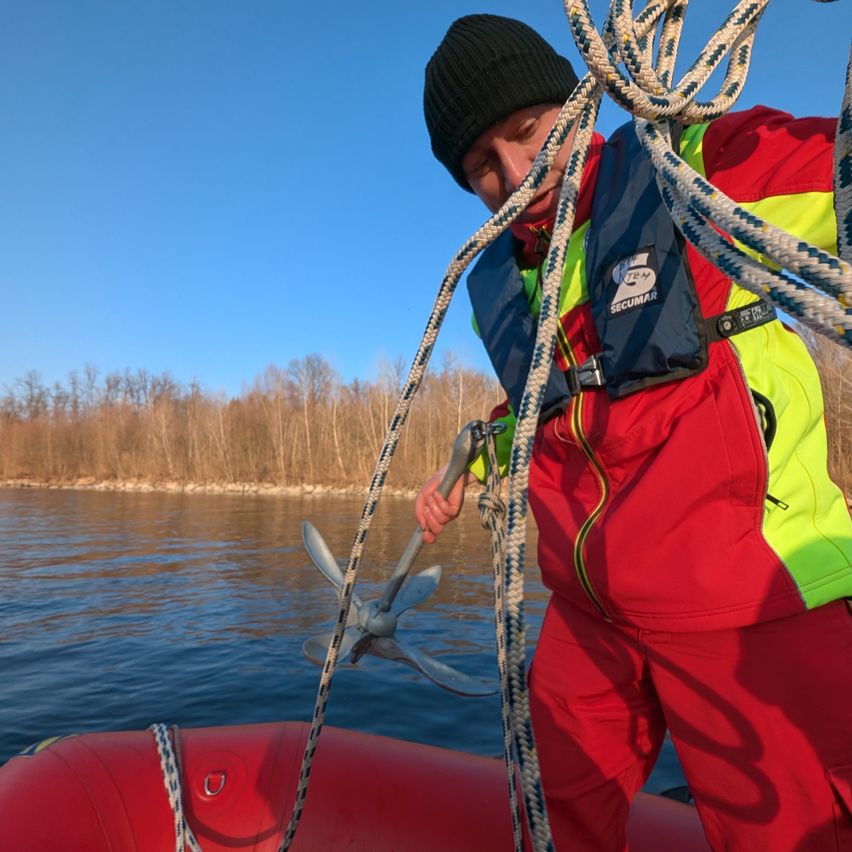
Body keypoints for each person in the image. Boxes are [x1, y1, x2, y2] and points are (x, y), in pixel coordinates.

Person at [416, 14, 852, 852]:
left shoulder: (689, 170)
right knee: (551, 819)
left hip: (750, 598)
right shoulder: (505, 287)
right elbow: (548, 402)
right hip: (589, 612)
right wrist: (474, 460)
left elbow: (827, 175)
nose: (516, 174)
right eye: (480, 167)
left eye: (528, 132)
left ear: (577, 107)